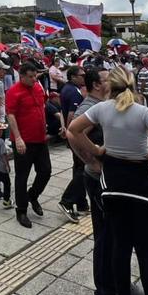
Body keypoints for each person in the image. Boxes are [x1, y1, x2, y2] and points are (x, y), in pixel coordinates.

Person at [67, 65, 148, 295]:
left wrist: (97, 149)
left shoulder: (102, 109)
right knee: (145, 253)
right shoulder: (142, 111)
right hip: (140, 183)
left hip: (113, 182)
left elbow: (73, 129)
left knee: (120, 248)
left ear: (110, 86)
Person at [74, 66, 114, 295]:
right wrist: (93, 159)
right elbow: (73, 134)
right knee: (105, 236)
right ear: (97, 85)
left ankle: (115, 281)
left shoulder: (102, 104)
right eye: (107, 79)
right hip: (97, 178)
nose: (111, 81)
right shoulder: (90, 107)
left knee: (112, 234)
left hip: (104, 176)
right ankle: (105, 290)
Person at [6, 61, 56, 228]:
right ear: (22, 76)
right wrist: (18, 138)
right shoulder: (14, 92)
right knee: (22, 176)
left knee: (45, 171)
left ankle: (32, 195)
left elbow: (43, 105)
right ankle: (21, 210)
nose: (34, 79)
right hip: (24, 141)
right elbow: (11, 115)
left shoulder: (38, 87)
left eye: (35, 76)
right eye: (30, 77)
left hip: (40, 139)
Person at [58, 66, 89, 221]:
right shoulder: (74, 92)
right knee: (83, 170)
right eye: (81, 75)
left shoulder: (67, 89)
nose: (84, 77)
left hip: (72, 135)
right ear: (73, 77)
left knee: (78, 168)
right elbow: (71, 115)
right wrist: (72, 135)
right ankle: (67, 200)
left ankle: (81, 203)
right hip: (76, 136)